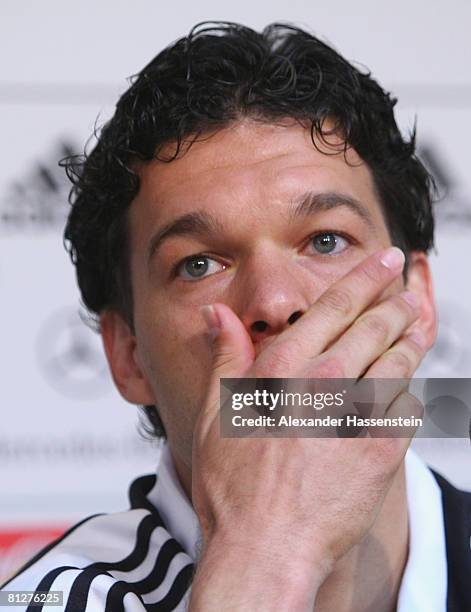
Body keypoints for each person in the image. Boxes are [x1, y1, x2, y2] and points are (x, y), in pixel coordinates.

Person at [2, 21, 470, 612]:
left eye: (326, 241)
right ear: (127, 354)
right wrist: (267, 555)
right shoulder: (46, 600)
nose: (275, 303)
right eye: (199, 264)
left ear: (417, 301)